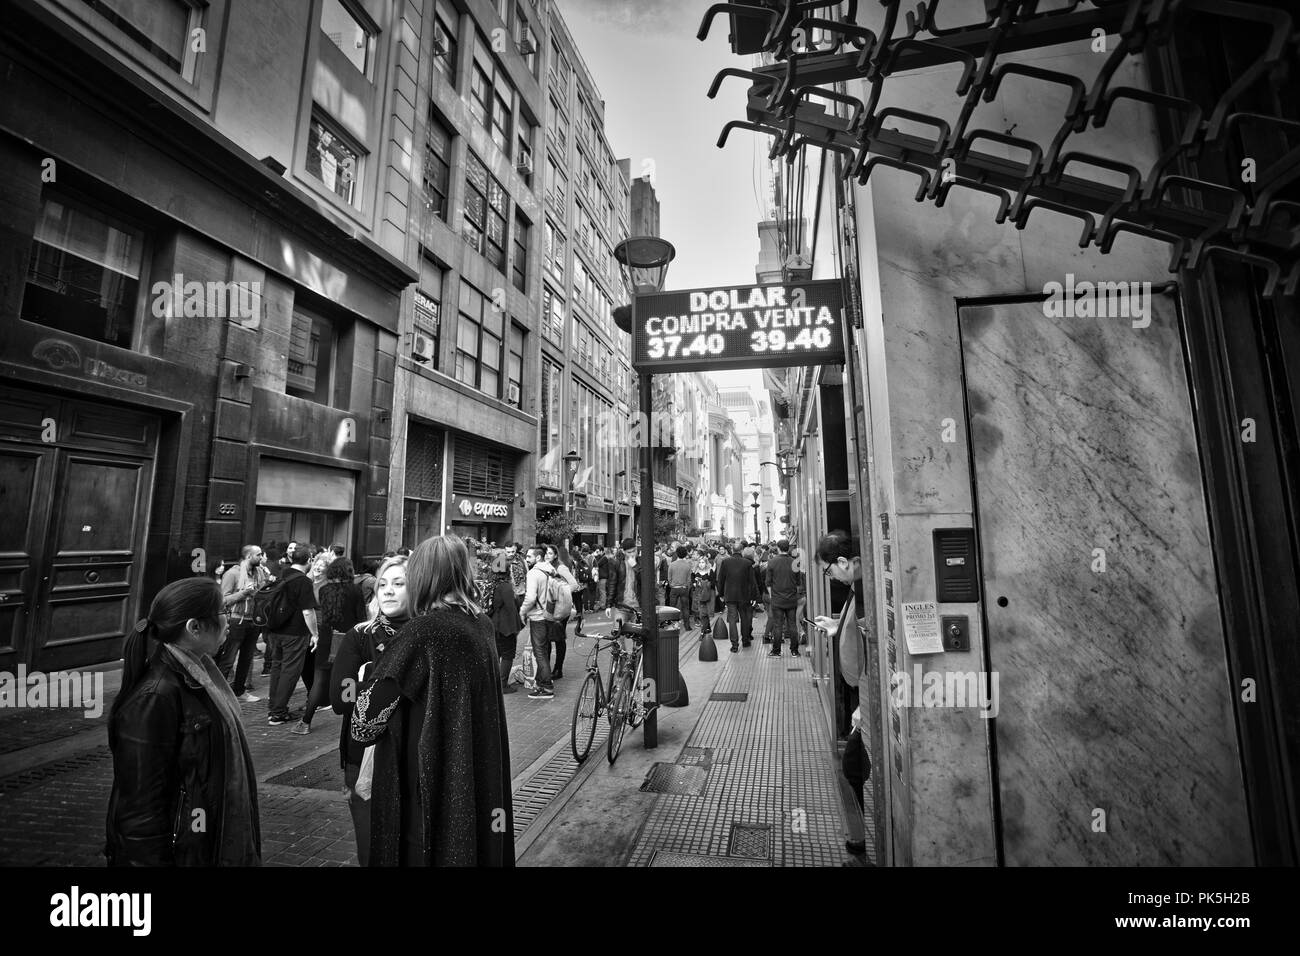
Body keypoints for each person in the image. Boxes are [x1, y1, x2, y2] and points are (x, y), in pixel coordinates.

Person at [350, 536, 514, 866]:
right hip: (468, 779)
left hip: (426, 788)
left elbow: (364, 726)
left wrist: (368, 674)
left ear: (422, 576)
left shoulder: (423, 631)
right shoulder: (479, 623)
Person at [106, 578, 260, 866]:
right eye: (224, 613)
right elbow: (140, 806)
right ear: (194, 627)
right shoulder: (156, 696)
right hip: (184, 850)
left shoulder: (201, 675)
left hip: (204, 842)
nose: (228, 623)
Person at [331, 555, 409, 867]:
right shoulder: (361, 635)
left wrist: (370, 679)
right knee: (373, 848)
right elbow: (340, 699)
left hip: (411, 755)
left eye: (399, 584)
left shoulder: (426, 634)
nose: (388, 591)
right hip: (363, 756)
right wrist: (390, 685)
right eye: (383, 585)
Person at [814, 529, 871, 857]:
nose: (830, 576)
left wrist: (864, 703)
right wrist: (837, 626)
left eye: (829, 569)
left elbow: (874, 652)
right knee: (855, 765)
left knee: (852, 765)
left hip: (867, 698)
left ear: (845, 562)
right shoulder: (856, 589)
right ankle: (866, 837)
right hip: (861, 695)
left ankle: (867, 841)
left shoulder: (866, 594)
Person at [294, 558, 367, 735]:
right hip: (349, 639)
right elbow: (362, 619)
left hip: (326, 639)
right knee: (349, 680)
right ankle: (349, 720)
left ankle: (306, 721)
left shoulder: (325, 590)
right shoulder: (355, 591)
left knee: (319, 681)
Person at [266, 545, 320, 726]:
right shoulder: (303, 581)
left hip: (275, 630)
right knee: (290, 671)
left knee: (277, 668)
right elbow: (308, 611)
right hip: (295, 633)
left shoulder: (281, 574)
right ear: (309, 560)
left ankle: (273, 707)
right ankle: (278, 712)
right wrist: (315, 633)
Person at [216, 545, 270, 702]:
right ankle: (219, 694)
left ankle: (240, 691)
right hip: (236, 620)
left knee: (246, 659)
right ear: (248, 556)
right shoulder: (232, 574)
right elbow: (223, 600)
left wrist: (268, 585)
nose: (261, 557)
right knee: (228, 659)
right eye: (258, 555)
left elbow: (261, 594)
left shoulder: (259, 572)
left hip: (253, 621)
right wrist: (244, 592)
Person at [518, 546, 556, 699]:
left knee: (539, 652)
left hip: (538, 617)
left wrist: (522, 611)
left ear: (538, 558)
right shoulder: (550, 570)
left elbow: (531, 597)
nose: (526, 558)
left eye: (529, 556)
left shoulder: (534, 573)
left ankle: (546, 687)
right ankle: (541, 683)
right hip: (550, 615)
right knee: (544, 650)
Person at [543, 544, 579, 679]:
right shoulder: (543, 567)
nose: (547, 556)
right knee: (546, 639)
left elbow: (574, 585)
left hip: (560, 609)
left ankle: (558, 669)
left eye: (550, 553)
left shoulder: (561, 568)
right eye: (546, 553)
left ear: (556, 555)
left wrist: (560, 594)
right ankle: (546, 669)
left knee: (558, 639)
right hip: (548, 608)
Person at [716, 543, 760, 652]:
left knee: (732, 620)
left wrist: (721, 594)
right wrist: (754, 597)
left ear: (731, 550)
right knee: (744, 618)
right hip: (744, 595)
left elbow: (721, 580)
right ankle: (745, 641)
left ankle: (734, 645)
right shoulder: (747, 563)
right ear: (741, 551)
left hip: (730, 595)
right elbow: (752, 582)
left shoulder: (726, 562)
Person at [488, 554, 521, 694]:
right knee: (508, 654)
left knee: (497, 654)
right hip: (505, 626)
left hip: (493, 624)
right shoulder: (506, 586)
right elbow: (511, 608)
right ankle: (502, 685)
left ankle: (494, 684)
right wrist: (517, 628)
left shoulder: (491, 584)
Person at [765, 539, 803, 657]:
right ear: (788, 548)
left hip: (777, 599)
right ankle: (794, 651)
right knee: (792, 624)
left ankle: (776, 651)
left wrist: (772, 596)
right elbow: (798, 583)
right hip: (791, 598)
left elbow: (768, 583)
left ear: (778, 548)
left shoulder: (772, 562)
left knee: (778, 625)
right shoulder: (795, 562)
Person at [667, 545, 694, 630]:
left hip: (674, 588)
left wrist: (672, 584)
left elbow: (669, 578)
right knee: (685, 608)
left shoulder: (672, 564)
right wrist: (686, 586)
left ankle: (672, 625)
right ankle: (687, 626)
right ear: (686, 554)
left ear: (677, 554)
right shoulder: (688, 565)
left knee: (672, 608)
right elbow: (689, 579)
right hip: (684, 588)